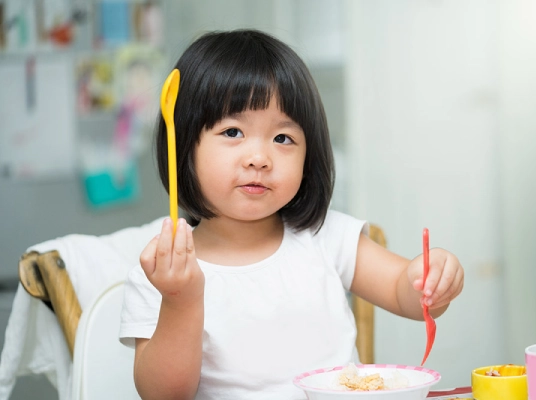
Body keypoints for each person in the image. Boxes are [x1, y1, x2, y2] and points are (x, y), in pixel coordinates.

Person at [119, 29, 464, 400]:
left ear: (308, 156)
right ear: (184, 148)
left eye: (283, 139)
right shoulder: (163, 273)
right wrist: (180, 300)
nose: (259, 158)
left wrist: (431, 281)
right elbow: (164, 395)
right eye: (233, 131)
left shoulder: (324, 235)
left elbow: (404, 293)